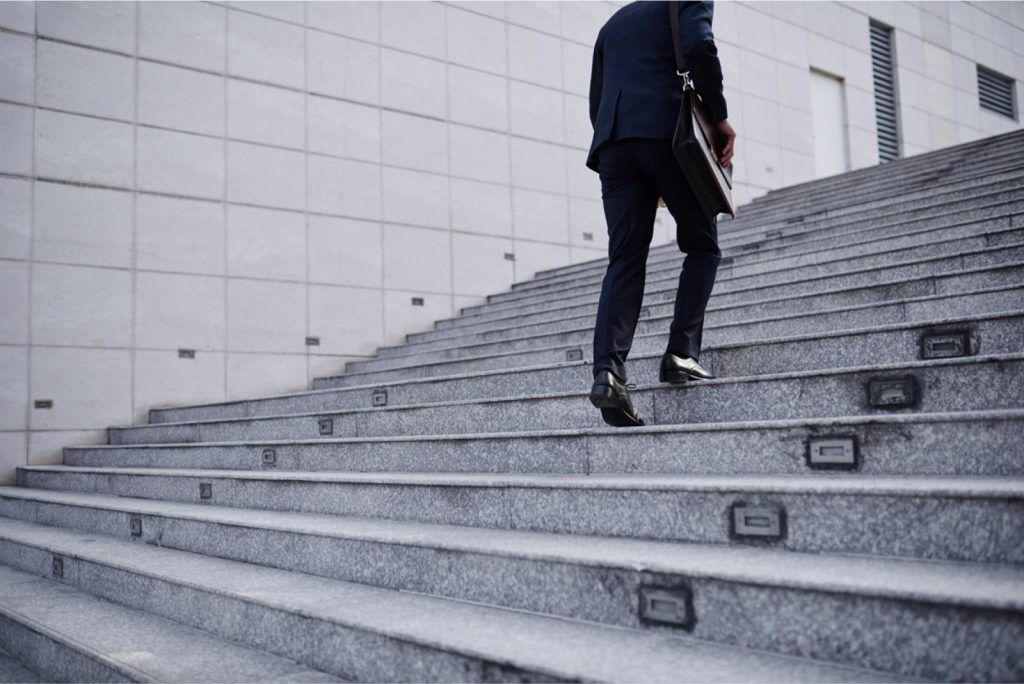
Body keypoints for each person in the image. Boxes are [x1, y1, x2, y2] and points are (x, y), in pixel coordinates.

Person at [586, 0, 736, 428]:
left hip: (614, 143)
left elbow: (596, 98)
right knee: (702, 246)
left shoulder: (614, 22)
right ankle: (682, 353)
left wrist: (629, 153)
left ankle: (609, 373)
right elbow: (701, 49)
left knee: (626, 258)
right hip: (669, 133)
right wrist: (720, 117)